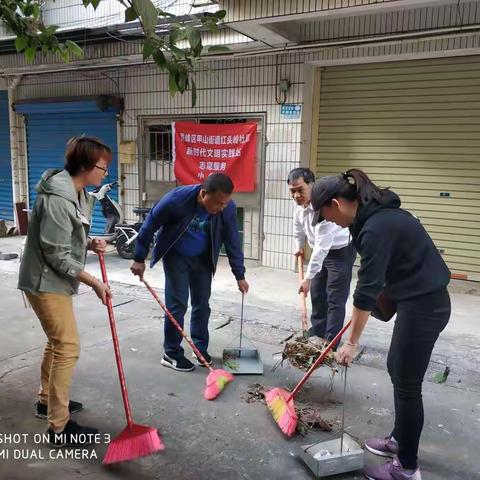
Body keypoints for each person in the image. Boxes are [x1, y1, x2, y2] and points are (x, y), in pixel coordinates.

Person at [310, 169, 451, 480]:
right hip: (416, 300)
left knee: (407, 383)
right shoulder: (376, 219)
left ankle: (407, 467)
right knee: (396, 369)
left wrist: (351, 342)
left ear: (337, 203)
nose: (331, 223)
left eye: (327, 216)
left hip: (426, 306)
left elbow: (366, 288)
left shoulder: (376, 227)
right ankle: (399, 440)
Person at [18, 136, 112, 448]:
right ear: (86, 166)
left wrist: (90, 241)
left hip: (54, 278)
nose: (105, 173)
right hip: (44, 281)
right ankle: (59, 427)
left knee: (57, 343)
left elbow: (69, 236)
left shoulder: (78, 191)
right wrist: (95, 282)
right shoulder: (58, 198)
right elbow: (56, 254)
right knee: (68, 347)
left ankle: (47, 401)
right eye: (103, 167)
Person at [130, 173, 249, 372]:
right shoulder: (176, 200)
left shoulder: (226, 208)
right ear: (203, 194)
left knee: (202, 304)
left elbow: (232, 241)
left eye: (225, 203)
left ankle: (199, 348)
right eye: (218, 203)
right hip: (176, 256)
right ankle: (171, 353)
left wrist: (240, 275)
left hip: (203, 258)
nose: (222, 208)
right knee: (177, 304)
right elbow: (150, 224)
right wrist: (139, 258)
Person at [287, 167, 355, 341]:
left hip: (340, 252)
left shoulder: (323, 206)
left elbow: (321, 247)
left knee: (335, 298)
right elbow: (298, 228)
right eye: (292, 191)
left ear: (312, 185)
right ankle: (318, 331)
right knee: (317, 294)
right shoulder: (300, 207)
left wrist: (307, 277)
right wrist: (299, 246)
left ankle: (331, 340)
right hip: (320, 252)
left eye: (300, 190)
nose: (296, 196)